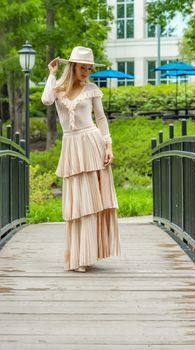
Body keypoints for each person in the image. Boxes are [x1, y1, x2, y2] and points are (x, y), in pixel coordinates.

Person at [41, 46, 121, 273]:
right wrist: (52, 73)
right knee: (77, 203)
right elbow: (46, 100)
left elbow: (101, 118)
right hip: (71, 146)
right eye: (83, 67)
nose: (86, 72)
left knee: (92, 202)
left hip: (92, 144)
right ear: (73, 67)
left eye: (89, 68)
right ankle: (77, 256)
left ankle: (86, 256)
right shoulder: (58, 89)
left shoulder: (92, 89)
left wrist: (108, 146)